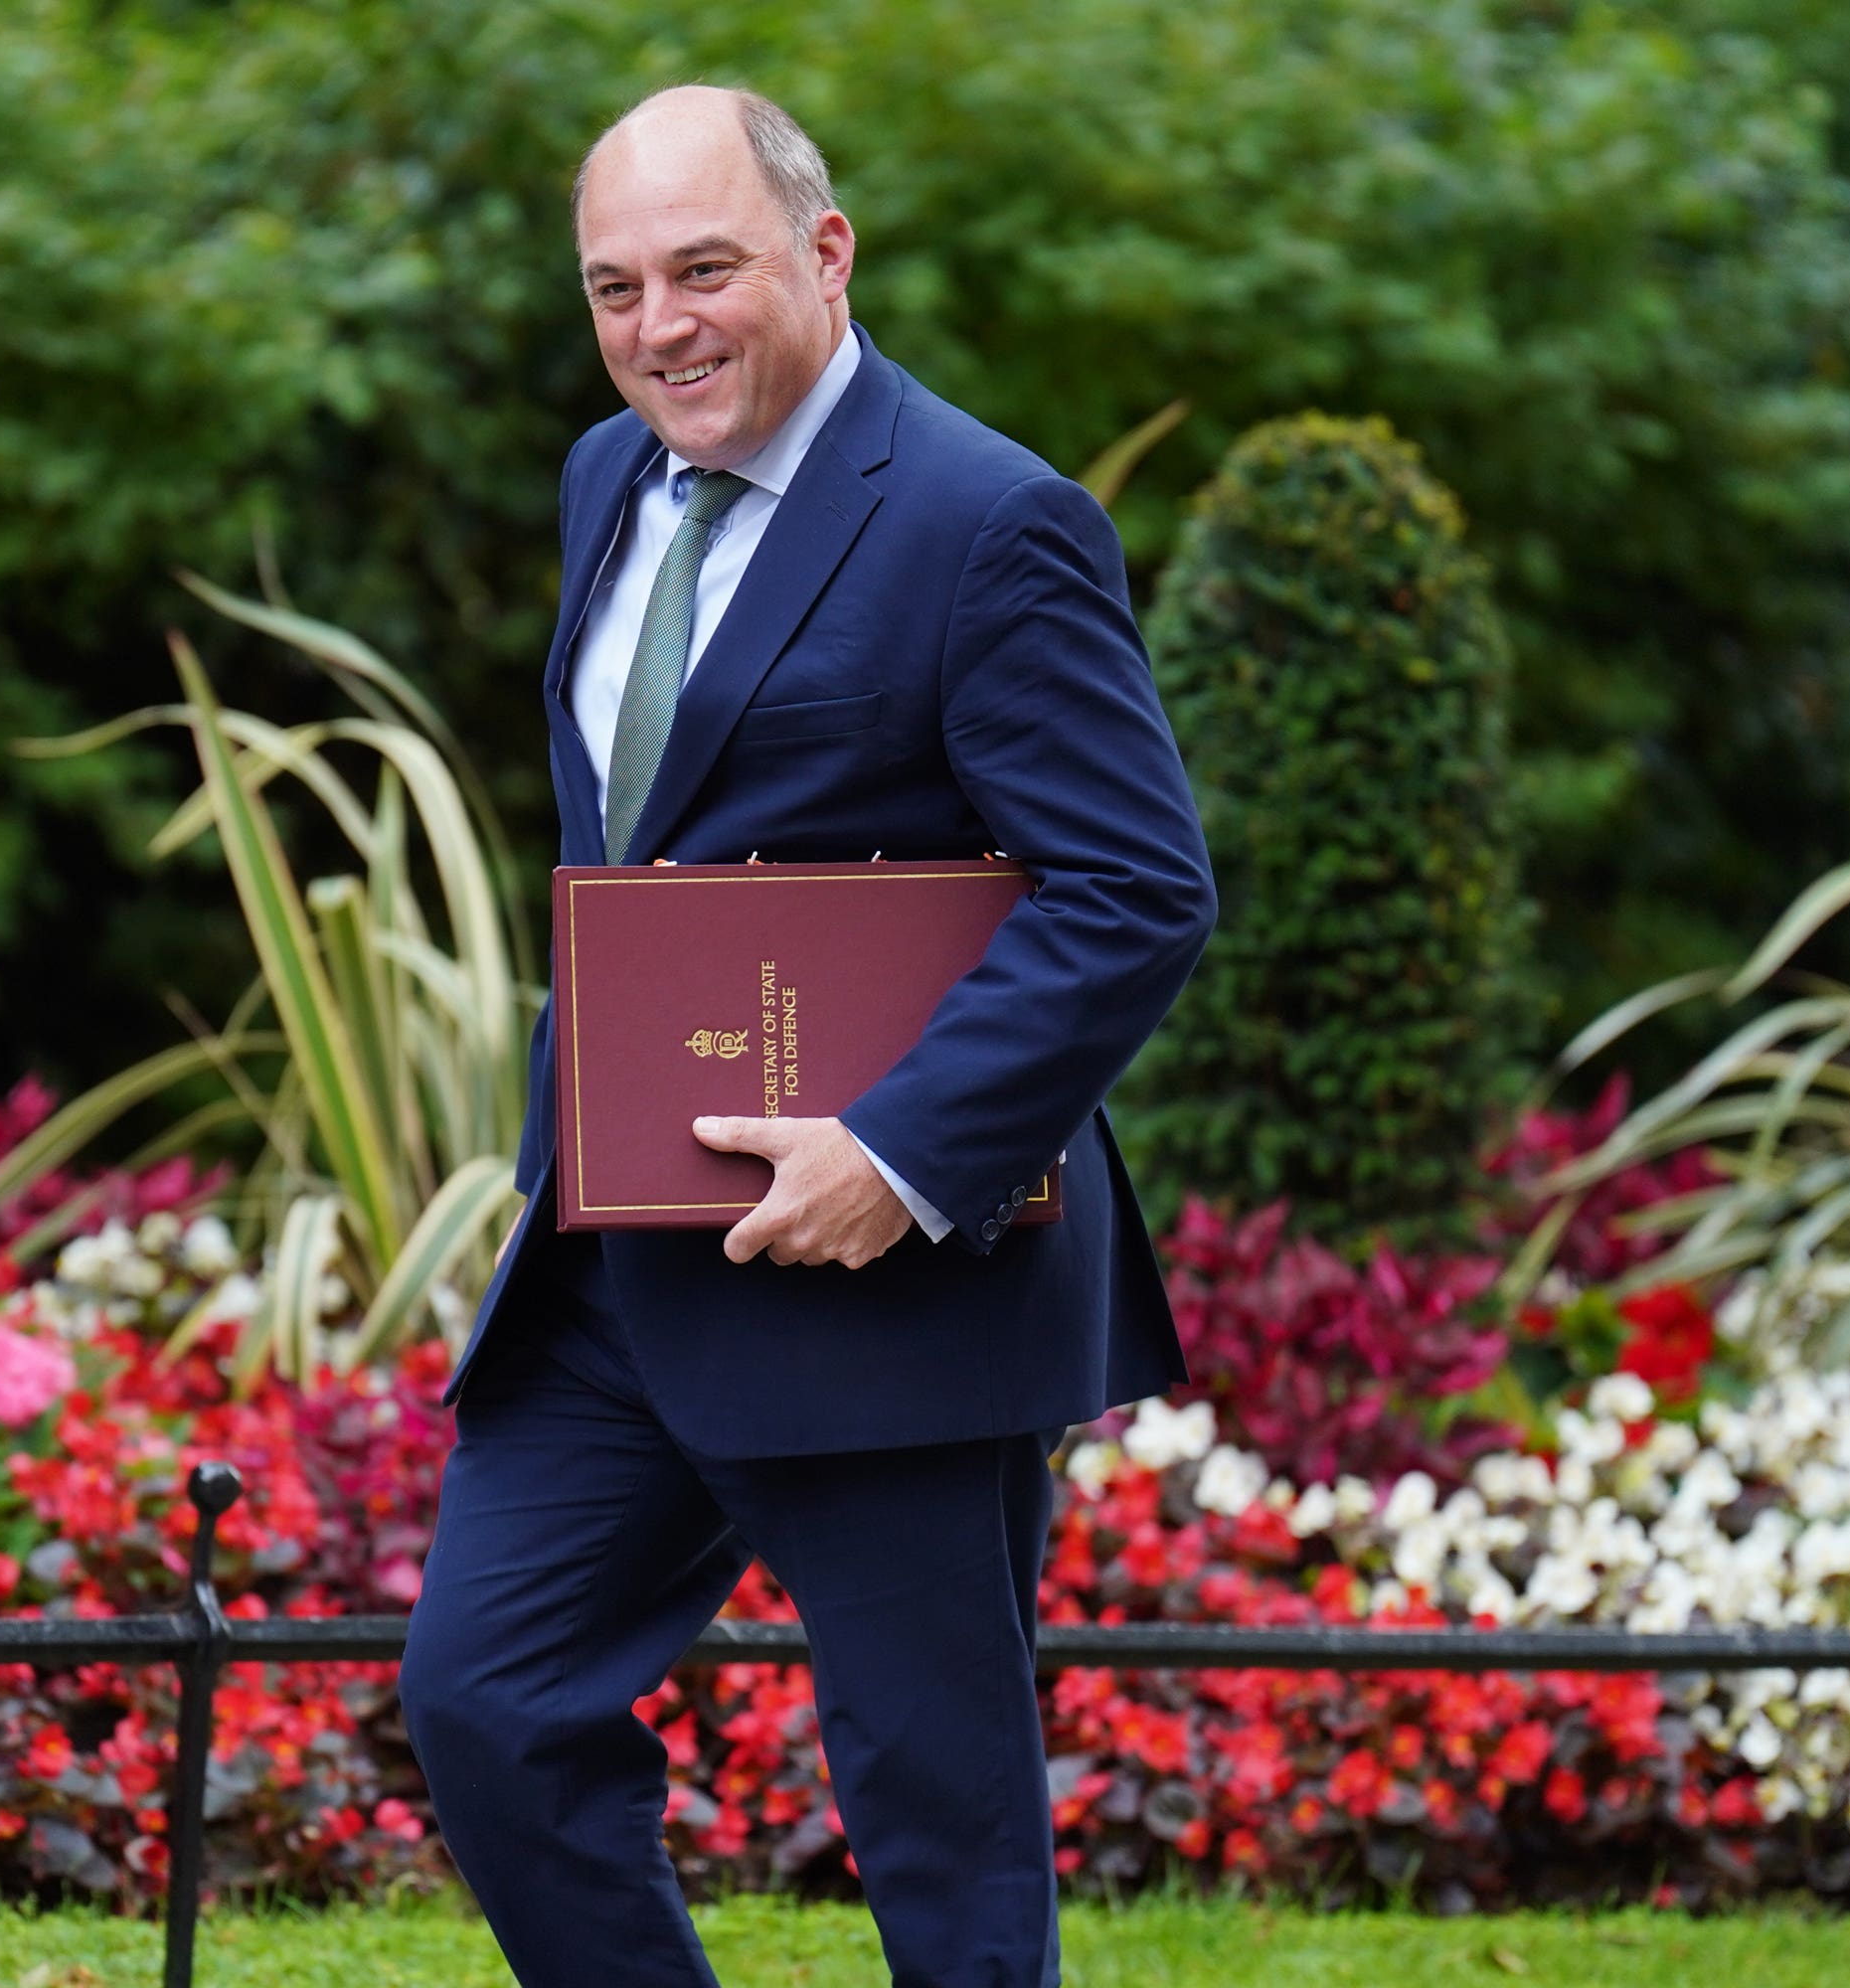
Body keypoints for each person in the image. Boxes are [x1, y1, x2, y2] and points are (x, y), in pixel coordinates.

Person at [396, 85, 1217, 1988]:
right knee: (492, 1704)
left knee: (942, 1844)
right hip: (616, 1261)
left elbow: (1135, 887)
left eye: (705, 270)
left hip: (892, 1288)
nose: (660, 326)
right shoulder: (611, 478)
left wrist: (902, 1156)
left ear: (825, 254)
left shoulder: (991, 523)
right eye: (616, 288)